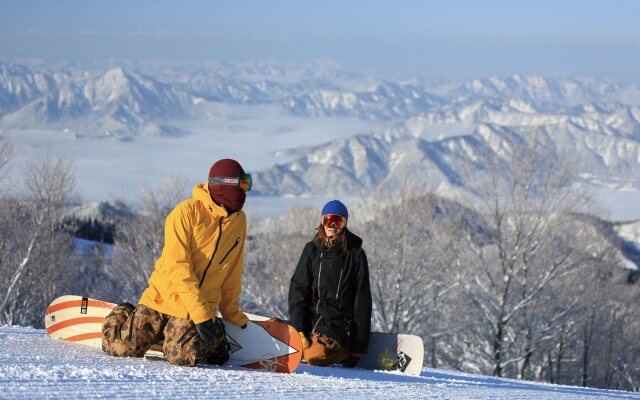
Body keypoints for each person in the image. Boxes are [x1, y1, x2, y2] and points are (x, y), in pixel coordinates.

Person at [102, 158, 252, 367]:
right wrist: (200, 314)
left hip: (198, 308)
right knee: (119, 348)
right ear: (225, 185)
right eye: (243, 184)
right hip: (162, 298)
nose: (246, 190)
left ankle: (215, 336)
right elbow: (178, 265)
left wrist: (231, 314)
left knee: (181, 356)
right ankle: (127, 314)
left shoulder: (238, 221)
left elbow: (232, 271)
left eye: (248, 184)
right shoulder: (185, 213)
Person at [288, 200, 372, 367]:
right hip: (311, 323)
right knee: (287, 342)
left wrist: (358, 346)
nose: (333, 225)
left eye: (338, 221)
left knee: (313, 356)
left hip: (338, 327)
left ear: (345, 224)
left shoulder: (355, 254)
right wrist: (299, 329)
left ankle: (343, 351)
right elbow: (299, 290)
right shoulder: (311, 250)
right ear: (322, 221)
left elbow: (362, 299)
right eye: (329, 220)